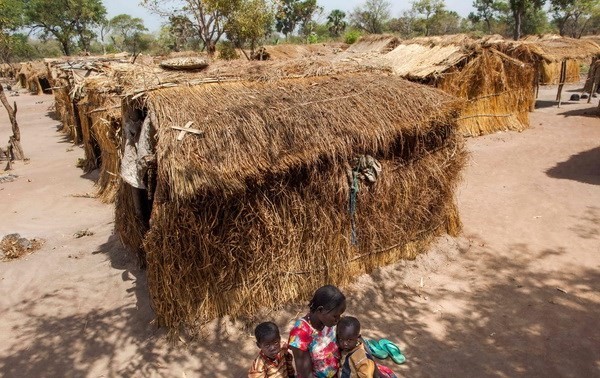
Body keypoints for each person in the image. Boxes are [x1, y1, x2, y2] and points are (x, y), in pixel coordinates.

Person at [288, 285, 347, 378]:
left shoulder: (329, 322)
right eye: (335, 316)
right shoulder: (300, 334)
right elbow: (306, 375)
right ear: (320, 310)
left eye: (339, 315)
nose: (338, 320)